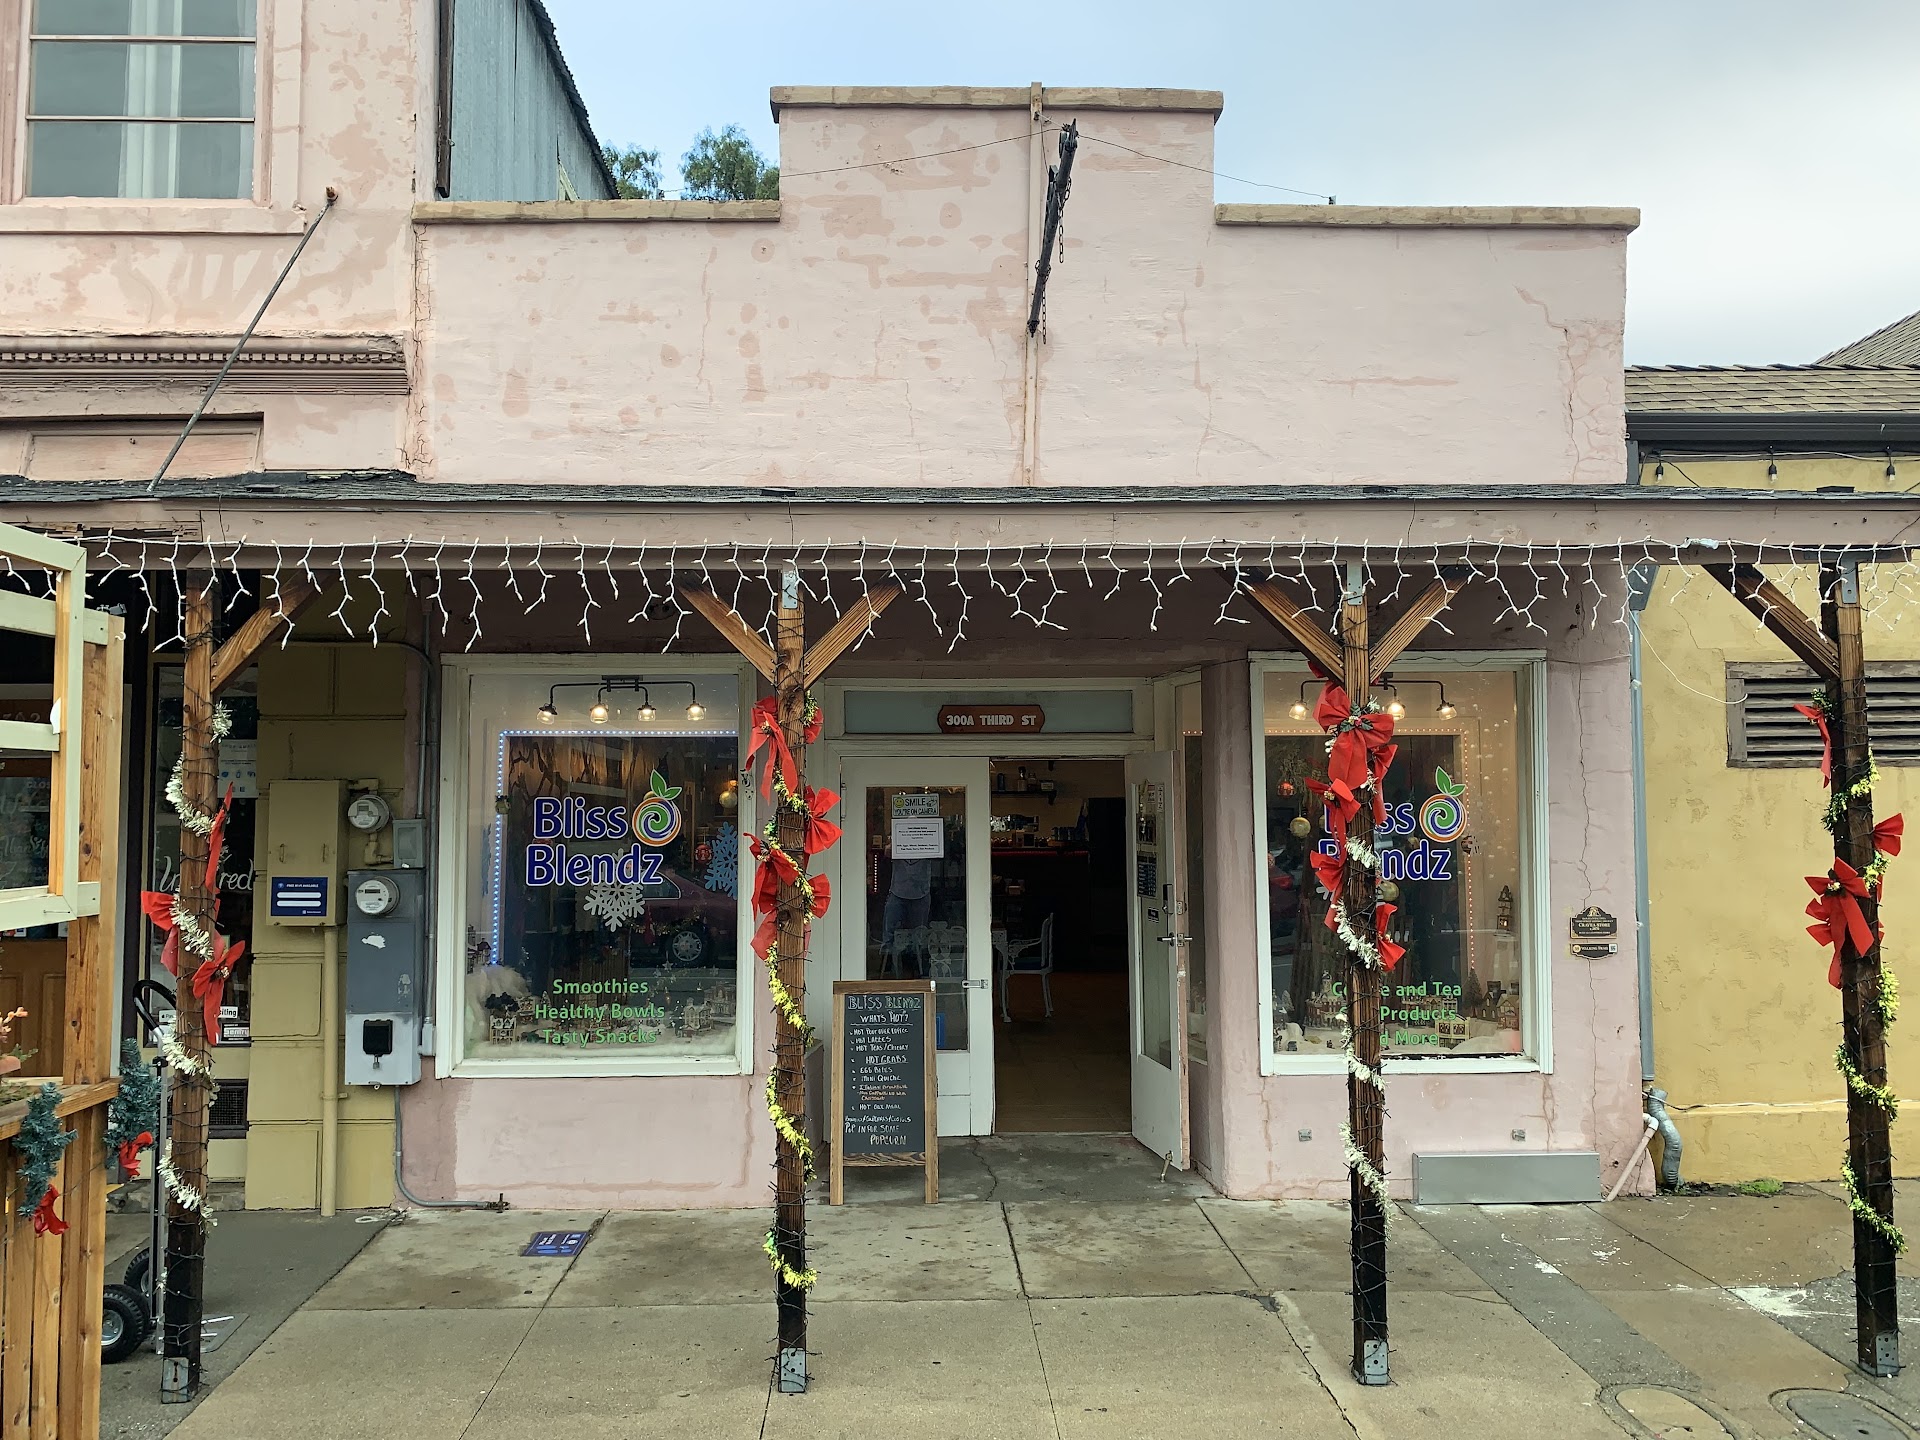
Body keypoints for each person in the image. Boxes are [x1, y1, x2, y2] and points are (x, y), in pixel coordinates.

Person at [880, 855, 933, 969]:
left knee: (919, 934)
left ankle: (916, 963)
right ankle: (887, 959)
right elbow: (887, 852)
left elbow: (939, 852)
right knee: (890, 930)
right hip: (899, 890)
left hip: (920, 891)